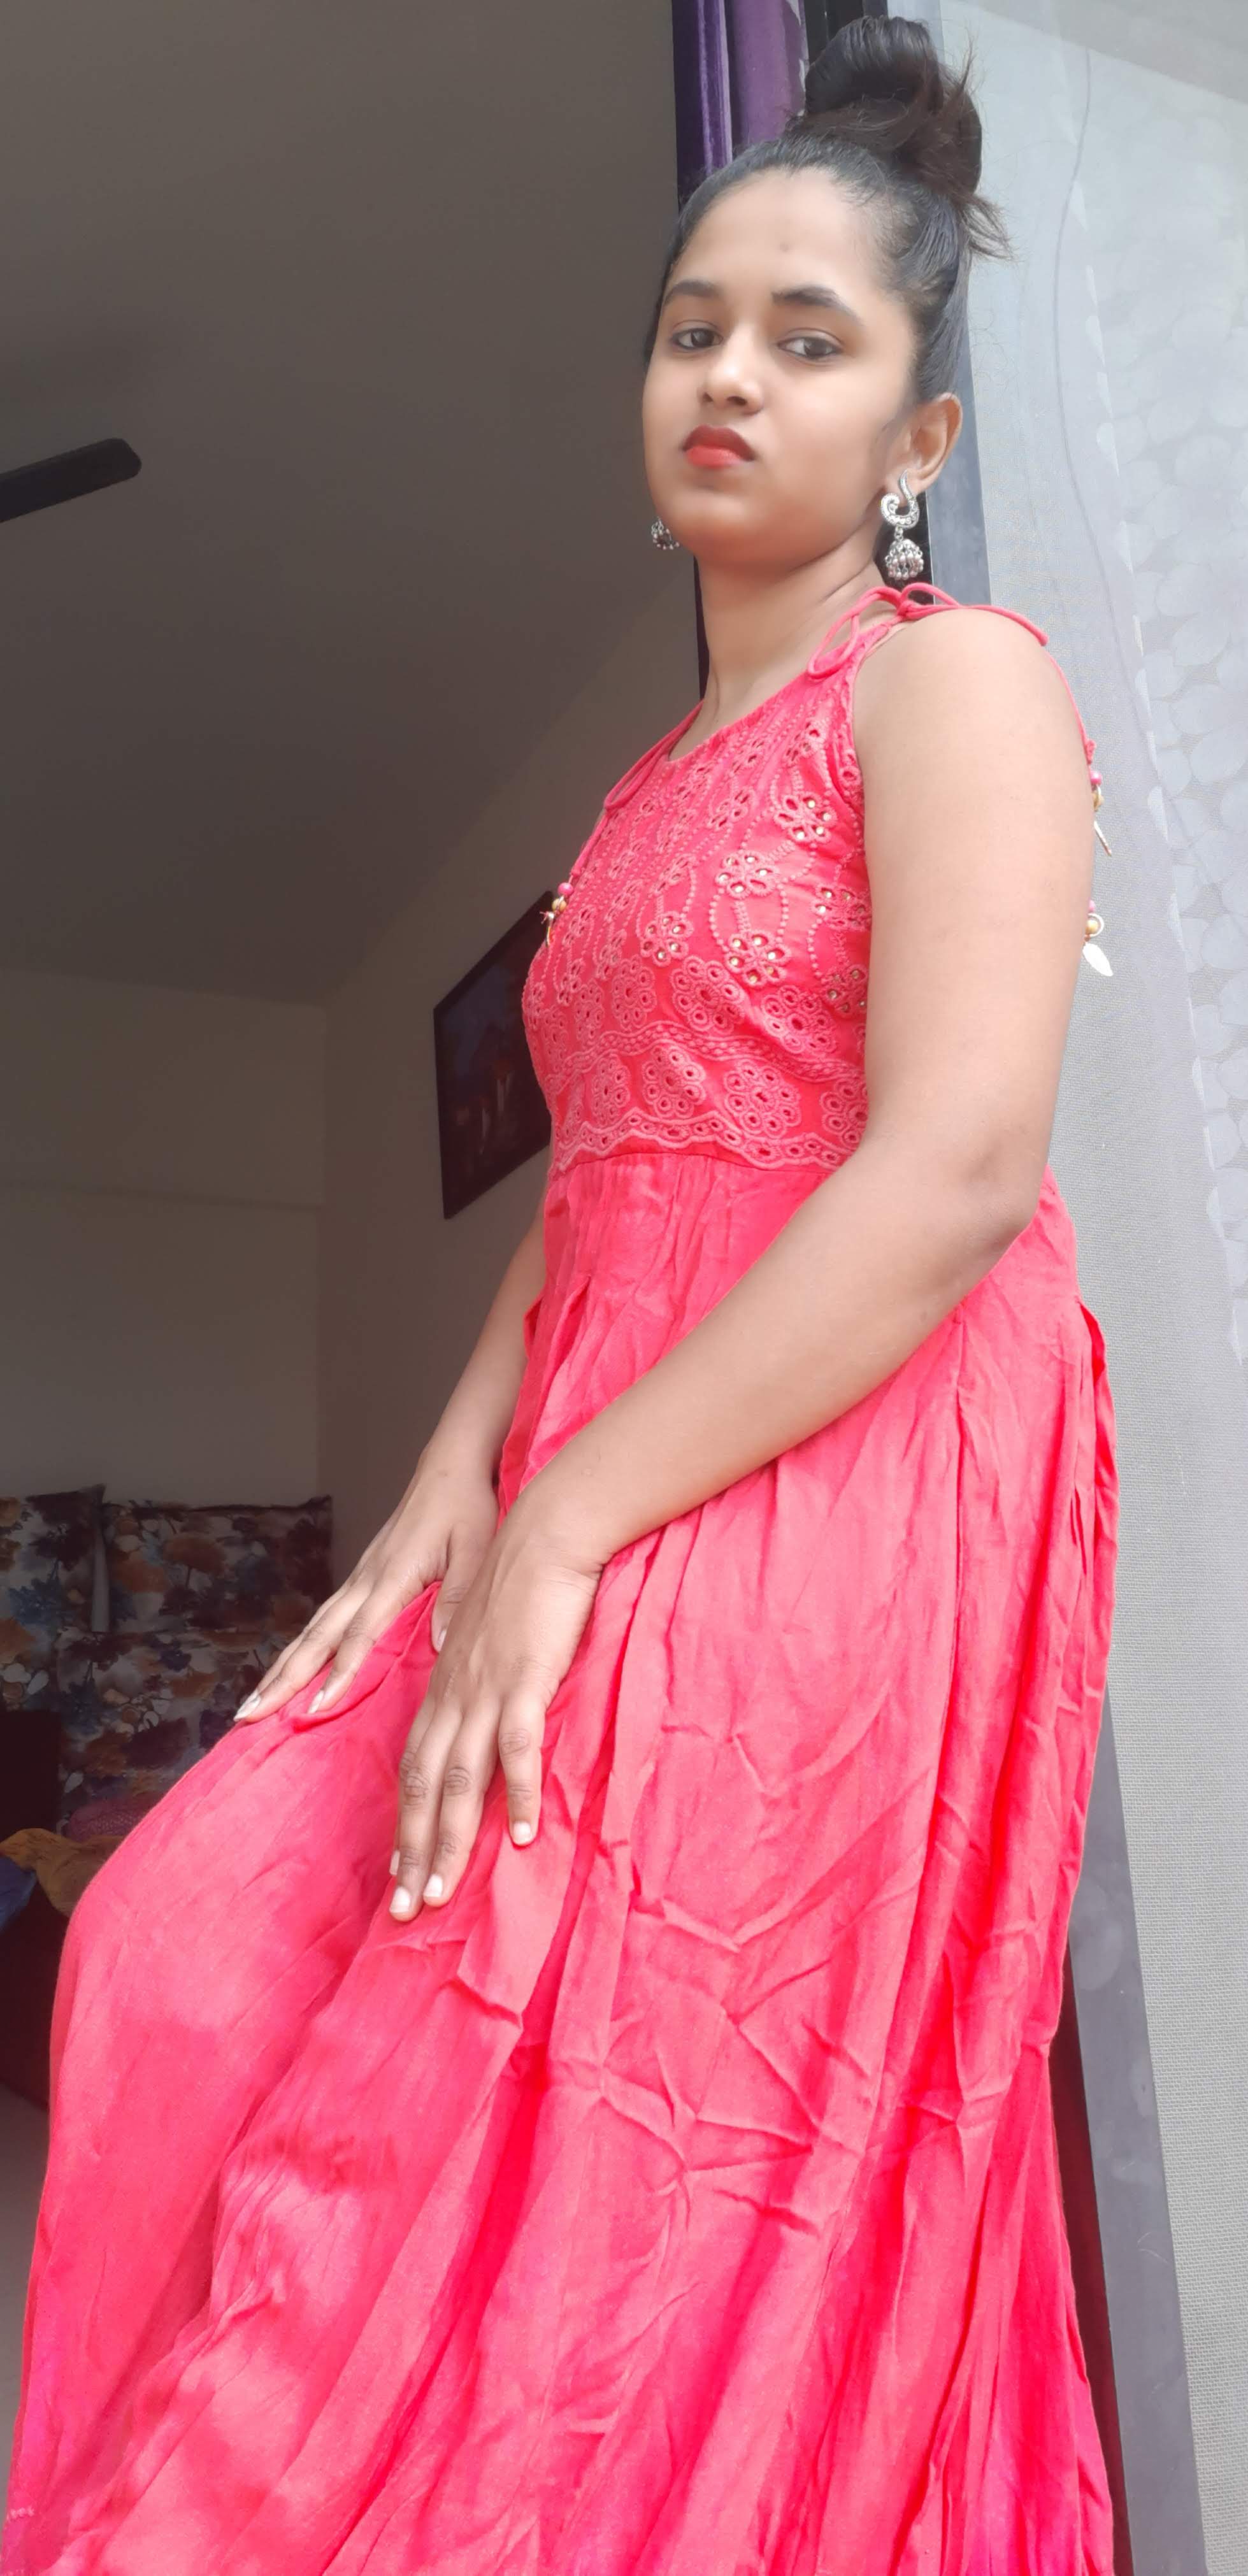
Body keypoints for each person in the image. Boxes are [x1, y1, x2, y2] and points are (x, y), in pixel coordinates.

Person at [4, 18, 1119, 2572]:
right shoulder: (635, 800)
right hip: (598, 1431)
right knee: (179, 1939)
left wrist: (570, 1518)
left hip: (835, 1448)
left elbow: (957, 1168)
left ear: (921, 435)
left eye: (808, 338)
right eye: (693, 326)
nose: (729, 373)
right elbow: (593, 1178)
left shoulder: (955, 679)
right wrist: (445, 1493)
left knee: (598, 2119)